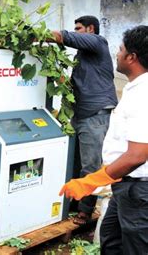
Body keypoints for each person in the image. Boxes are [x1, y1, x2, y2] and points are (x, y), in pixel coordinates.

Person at [60, 25, 148, 254]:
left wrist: (89, 182)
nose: (117, 54)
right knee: (109, 239)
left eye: (120, 49)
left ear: (132, 57)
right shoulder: (134, 88)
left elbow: (138, 155)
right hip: (124, 187)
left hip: (139, 191)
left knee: (136, 247)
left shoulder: (143, 93)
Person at [52, 15, 118, 225]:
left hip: (95, 116)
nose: (76, 31)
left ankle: (85, 212)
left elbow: (66, 38)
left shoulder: (98, 42)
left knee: (90, 165)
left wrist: (41, 35)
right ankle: (74, 203)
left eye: (79, 28)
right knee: (74, 162)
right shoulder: (83, 56)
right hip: (80, 116)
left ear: (90, 29)